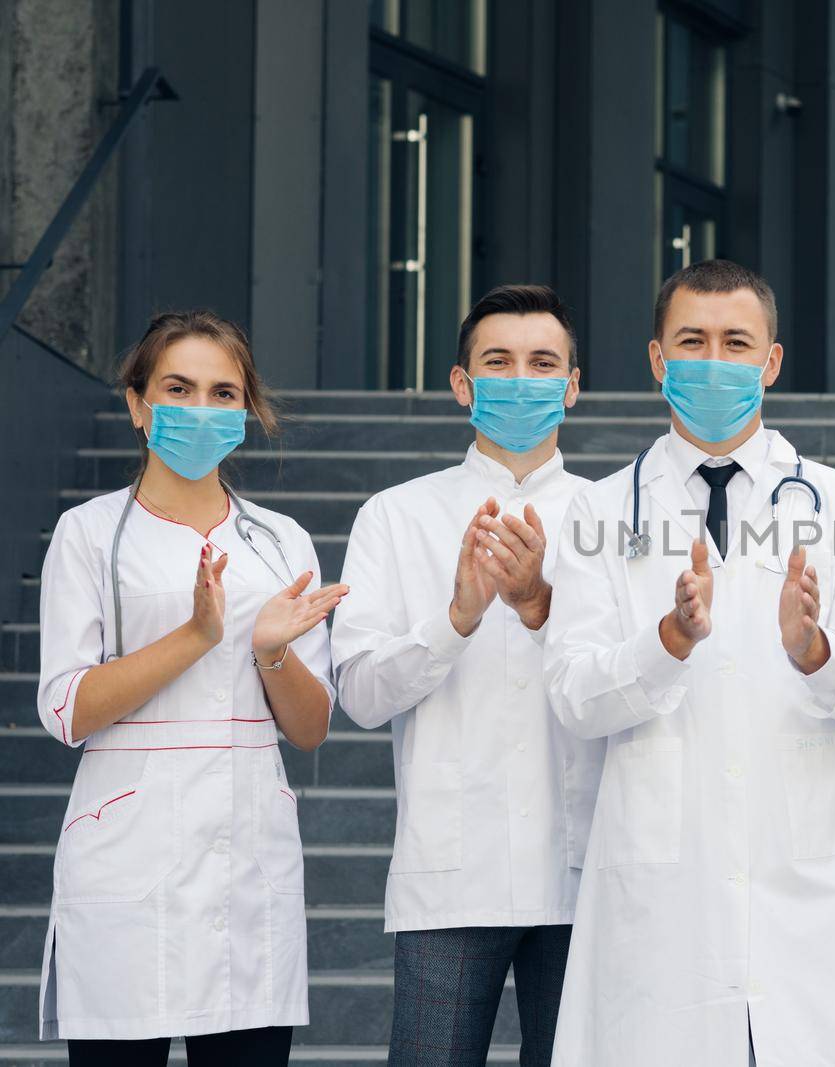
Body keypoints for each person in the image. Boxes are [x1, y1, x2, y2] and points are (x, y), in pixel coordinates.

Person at [543, 259, 835, 1066]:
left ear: (772, 361)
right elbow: (574, 695)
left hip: (812, 892)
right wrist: (667, 643)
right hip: (665, 902)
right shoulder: (601, 510)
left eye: (736, 342)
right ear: (656, 359)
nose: (714, 361)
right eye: (692, 341)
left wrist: (815, 652)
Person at [35, 310, 345, 1066]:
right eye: (179, 387)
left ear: (246, 411)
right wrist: (194, 638)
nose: (201, 409)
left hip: (247, 865)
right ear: (138, 404)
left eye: (223, 392)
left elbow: (309, 729)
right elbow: (65, 708)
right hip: (126, 861)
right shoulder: (89, 534)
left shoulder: (280, 544)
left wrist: (270, 654)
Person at [330, 284, 604, 1066]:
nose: (521, 379)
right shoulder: (396, 515)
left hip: (587, 870)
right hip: (450, 875)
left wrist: (541, 607)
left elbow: (641, 686)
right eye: (499, 362)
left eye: (542, 363)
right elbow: (358, 695)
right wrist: (454, 618)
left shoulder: (614, 517)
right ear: (462, 383)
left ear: (573, 387)